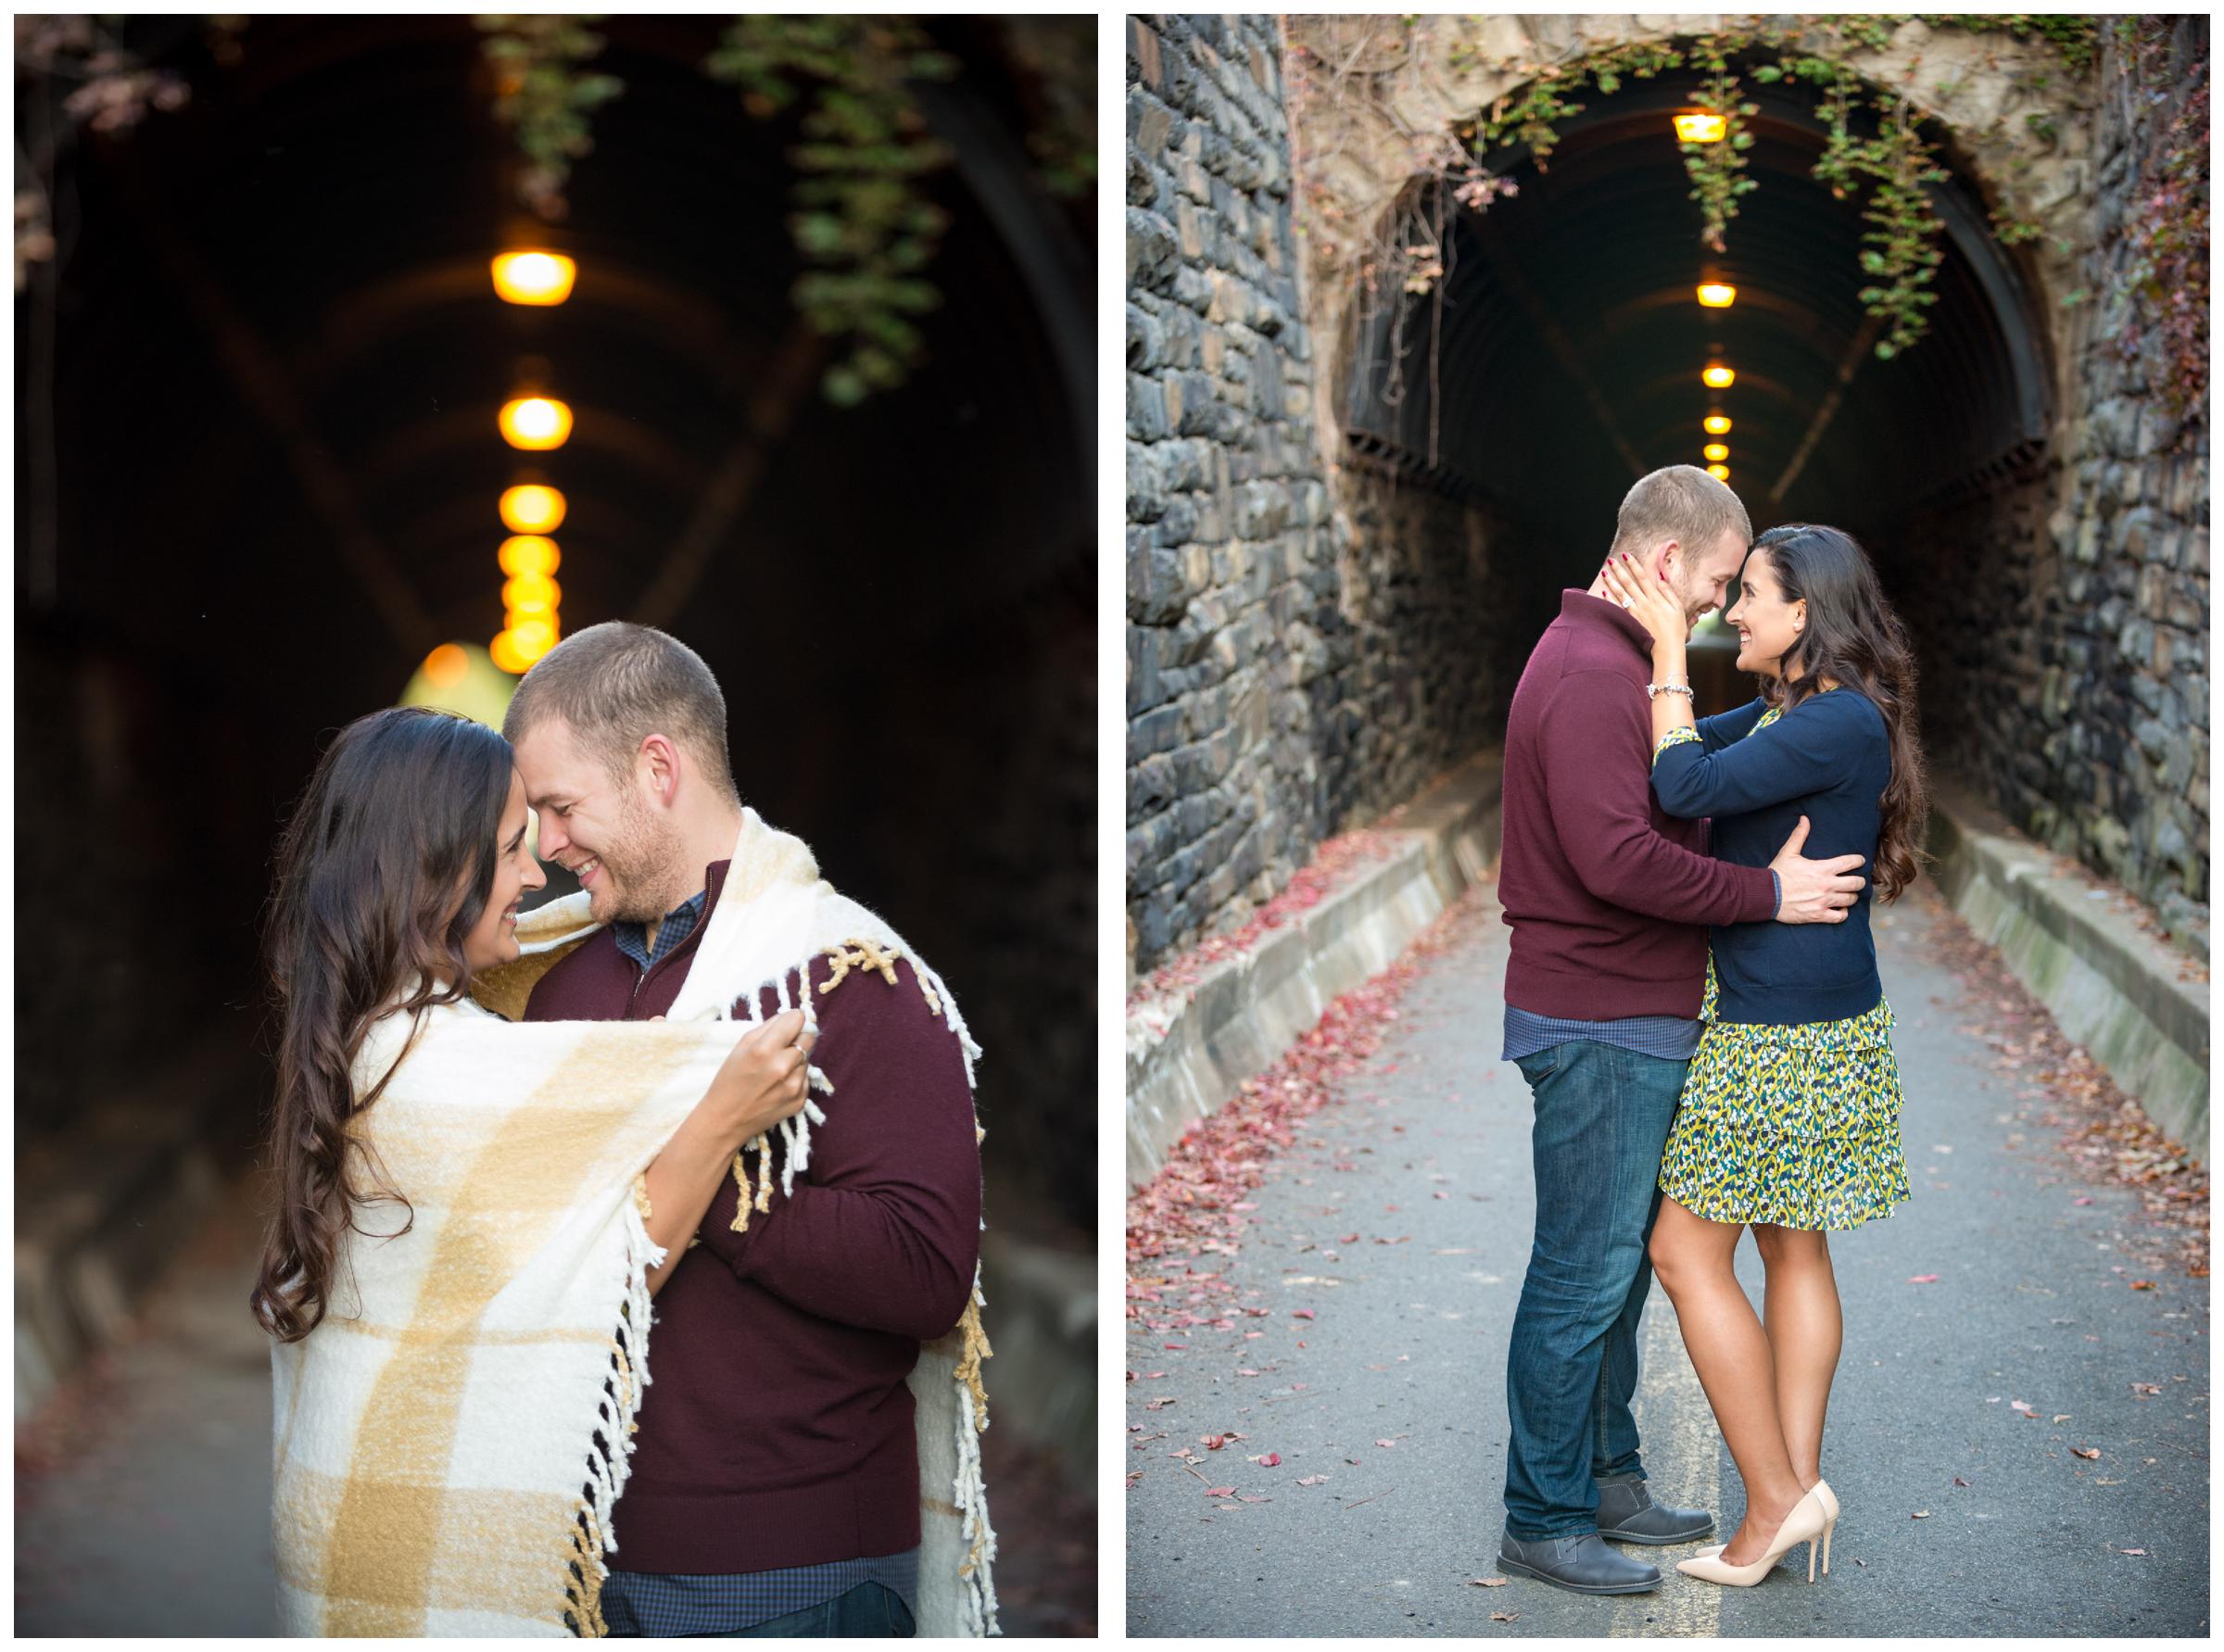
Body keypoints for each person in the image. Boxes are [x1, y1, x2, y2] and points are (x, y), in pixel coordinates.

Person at [254, 706, 818, 1635]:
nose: (536, 870)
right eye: (513, 847)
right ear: (435, 867)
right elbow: (611, 1272)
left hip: (350, 1506)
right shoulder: (432, 1068)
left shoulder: (365, 1029)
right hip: (418, 1551)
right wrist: (722, 1110)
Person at [502, 622, 987, 1639]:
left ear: (658, 768)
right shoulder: (553, 996)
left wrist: (704, 1167)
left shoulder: (850, 975)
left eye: (560, 806)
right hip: (578, 1564)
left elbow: (927, 1270)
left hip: (803, 1570)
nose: (546, 845)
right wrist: (692, 1140)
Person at [1493, 466, 1873, 1597]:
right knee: (1585, 1269)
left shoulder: (1618, 669)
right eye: (1714, 584)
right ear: (1667, 566)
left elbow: (1695, 780)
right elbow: (1620, 859)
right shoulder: (1587, 675)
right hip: (1599, 1014)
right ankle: (1544, 1513)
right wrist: (1769, 897)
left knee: (1613, 1268)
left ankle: (1606, 1477)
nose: (1715, 609)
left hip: (1632, 1008)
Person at [1599, 522, 1919, 1588]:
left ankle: (1780, 1497)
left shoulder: (1834, 724)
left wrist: (1658, 652)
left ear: (1805, 615)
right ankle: (1796, 1487)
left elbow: (1683, 789)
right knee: (1793, 1250)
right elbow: (1684, 768)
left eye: (1750, 595)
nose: (1731, 610)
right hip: (1810, 1019)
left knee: (1686, 1253)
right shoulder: (1798, 713)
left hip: (1780, 1034)